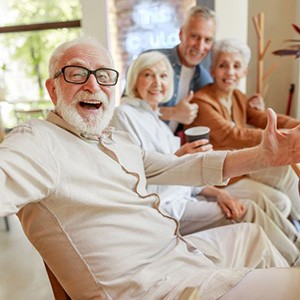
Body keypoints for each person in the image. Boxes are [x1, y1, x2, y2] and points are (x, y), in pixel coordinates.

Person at [1, 36, 300, 300]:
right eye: (77, 73)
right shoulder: (38, 141)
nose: (93, 85)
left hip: (178, 255)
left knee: (254, 237)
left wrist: (264, 156)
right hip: (154, 288)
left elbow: (185, 166)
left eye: (103, 76)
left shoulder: (114, 140)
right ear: (53, 89)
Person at [110, 50, 300, 266]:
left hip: (187, 195)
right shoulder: (124, 115)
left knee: (256, 201)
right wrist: (179, 157)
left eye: (163, 76)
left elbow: (186, 178)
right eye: (148, 75)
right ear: (135, 79)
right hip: (165, 208)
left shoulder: (158, 122)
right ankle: (295, 263)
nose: (157, 82)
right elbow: (135, 175)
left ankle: (297, 248)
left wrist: (219, 193)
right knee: (248, 211)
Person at [185, 38, 300, 220]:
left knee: (285, 173)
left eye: (236, 66)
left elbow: (262, 118)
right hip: (219, 175)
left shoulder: (237, 97)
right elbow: (232, 135)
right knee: (281, 201)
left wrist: (297, 126)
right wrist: (284, 137)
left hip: (240, 166)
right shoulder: (202, 102)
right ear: (213, 70)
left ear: (244, 72)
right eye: (223, 65)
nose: (230, 72)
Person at [148, 6, 263, 134]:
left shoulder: (204, 79)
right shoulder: (153, 61)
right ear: (181, 34)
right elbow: (127, 107)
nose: (200, 46)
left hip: (170, 149)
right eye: (194, 36)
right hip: (136, 144)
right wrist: (172, 113)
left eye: (207, 40)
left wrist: (252, 107)